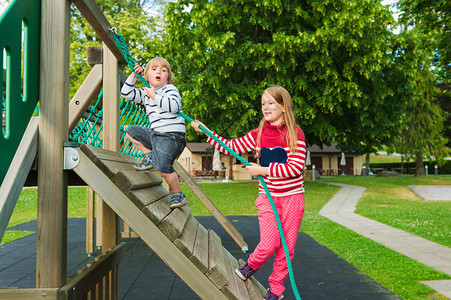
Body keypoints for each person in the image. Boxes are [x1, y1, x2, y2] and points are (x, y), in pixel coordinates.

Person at [191, 86, 306, 300]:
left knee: (286, 250)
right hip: (269, 199)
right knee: (270, 243)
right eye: (263, 103)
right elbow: (230, 147)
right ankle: (251, 265)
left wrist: (261, 170)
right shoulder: (258, 134)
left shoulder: (294, 133)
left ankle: (276, 291)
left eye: (271, 103)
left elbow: (295, 168)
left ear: (283, 106)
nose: (266, 107)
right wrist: (207, 131)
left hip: (292, 199)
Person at [121, 57, 187, 208]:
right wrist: (133, 76)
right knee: (131, 131)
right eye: (154, 69)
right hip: (156, 135)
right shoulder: (145, 93)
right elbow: (126, 93)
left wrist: (154, 96)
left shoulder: (170, 89)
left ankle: (178, 194)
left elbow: (173, 107)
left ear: (168, 77)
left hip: (173, 137)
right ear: (146, 76)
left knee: (162, 166)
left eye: (163, 70)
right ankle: (150, 156)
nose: (159, 72)